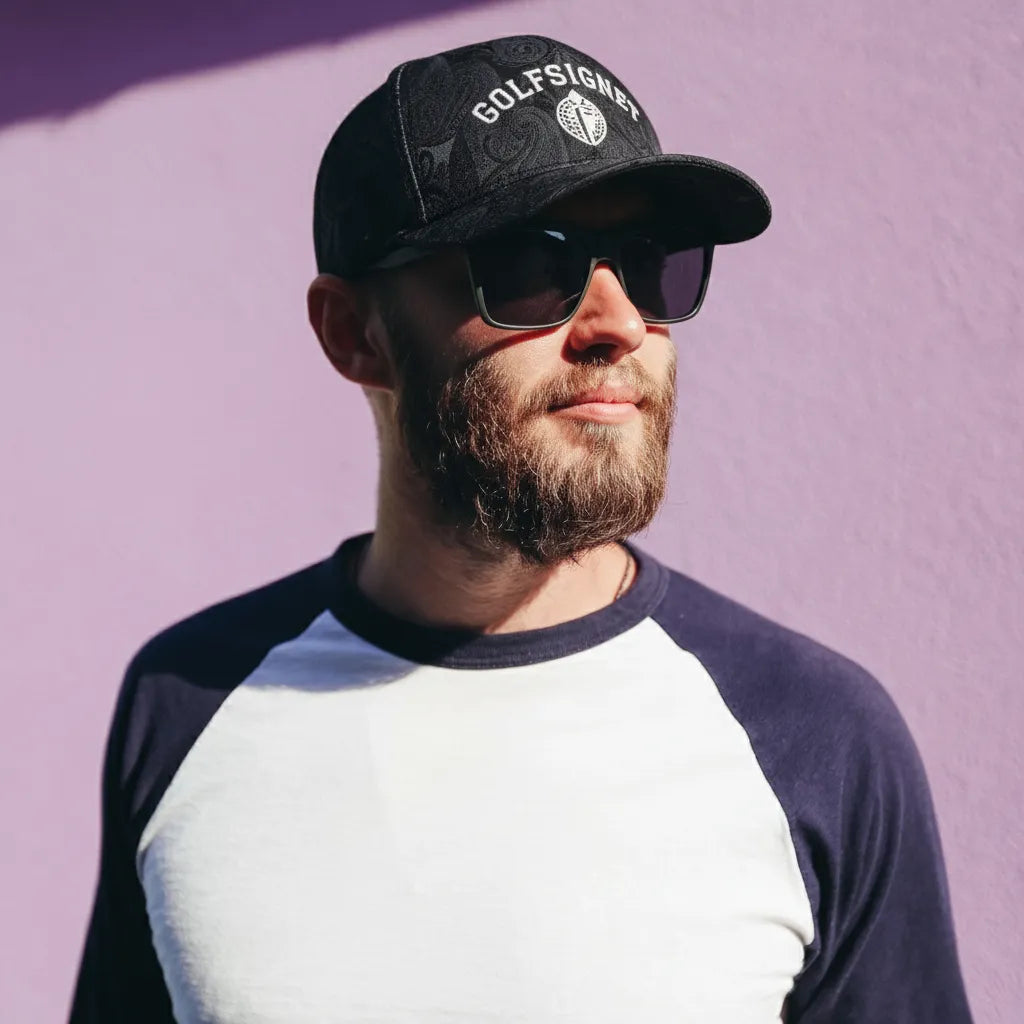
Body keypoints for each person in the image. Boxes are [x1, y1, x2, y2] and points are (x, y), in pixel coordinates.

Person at [70, 34, 973, 1024]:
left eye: (645, 264)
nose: (617, 320)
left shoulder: (816, 735)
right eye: (526, 268)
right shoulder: (189, 700)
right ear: (353, 334)